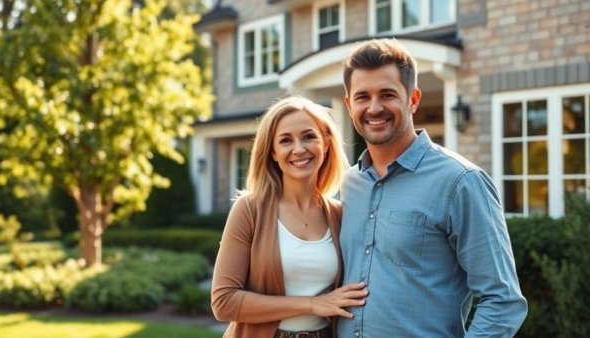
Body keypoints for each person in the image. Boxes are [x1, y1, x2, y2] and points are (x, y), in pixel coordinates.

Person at [337, 38, 528, 337]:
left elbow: (503, 301)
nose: (374, 108)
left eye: (387, 94)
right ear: (349, 105)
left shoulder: (461, 182)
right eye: (362, 97)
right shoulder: (349, 184)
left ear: (413, 99)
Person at [211, 95, 368, 338]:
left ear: (325, 144)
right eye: (285, 140)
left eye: (308, 136)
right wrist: (312, 304)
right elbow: (224, 301)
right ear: (273, 152)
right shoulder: (250, 209)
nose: (299, 149)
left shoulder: (340, 215)